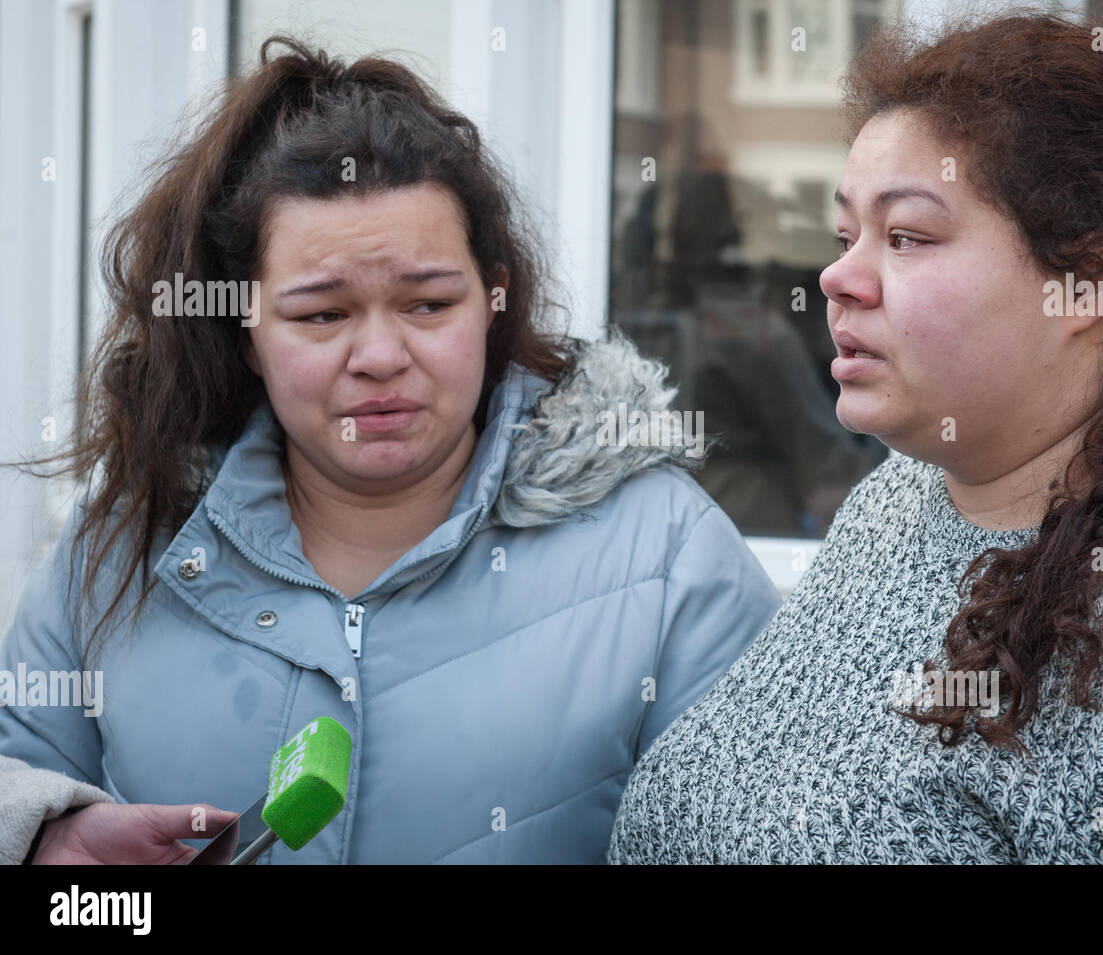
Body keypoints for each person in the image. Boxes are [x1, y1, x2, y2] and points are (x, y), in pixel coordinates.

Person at [0, 36, 780, 865]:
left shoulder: (667, 556)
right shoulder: (118, 553)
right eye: (321, 315)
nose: (379, 355)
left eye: (428, 303)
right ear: (246, 335)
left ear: (494, 297)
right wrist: (45, 842)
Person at [608, 13, 1103, 863]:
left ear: (1089, 283)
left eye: (906, 236)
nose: (837, 278)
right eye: (844, 234)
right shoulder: (900, 495)